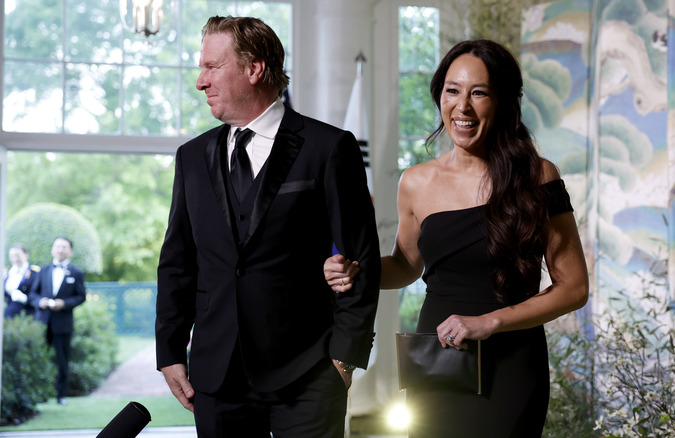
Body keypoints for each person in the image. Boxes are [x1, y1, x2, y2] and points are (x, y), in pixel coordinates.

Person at [324, 40, 589, 437]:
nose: (462, 107)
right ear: (439, 96)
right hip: (438, 359)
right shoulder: (415, 181)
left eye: (478, 93)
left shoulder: (538, 177)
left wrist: (489, 322)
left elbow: (574, 288)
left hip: (512, 362)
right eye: (452, 90)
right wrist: (357, 271)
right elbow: (406, 266)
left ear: (502, 102)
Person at [155, 15, 381, 437]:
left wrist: (343, 360)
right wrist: (169, 352)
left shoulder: (329, 148)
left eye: (211, 67)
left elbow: (361, 259)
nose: (200, 82)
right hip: (216, 375)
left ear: (254, 69)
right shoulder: (191, 157)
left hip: (309, 373)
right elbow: (177, 263)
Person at [28, 236, 87, 405]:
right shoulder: (43, 270)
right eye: (58, 247)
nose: (60, 250)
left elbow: (81, 296)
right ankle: (38, 393)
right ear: (52, 249)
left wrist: (64, 303)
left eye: (64, 247)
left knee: (62, 360)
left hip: (63, 323)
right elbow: (33, 294)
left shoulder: (77, 273)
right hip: (42, 322)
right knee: (39, 358)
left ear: (70, 251)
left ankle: (61, 395)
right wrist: (40, 302)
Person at [4, 243, 40, 318]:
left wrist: (25, 298)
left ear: (26, 255)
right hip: (9, 314)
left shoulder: (35, 272)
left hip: (28, 314)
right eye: (12, 256)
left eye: (18, 255)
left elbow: (39, 293)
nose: (15, 259)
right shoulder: (7, 272)